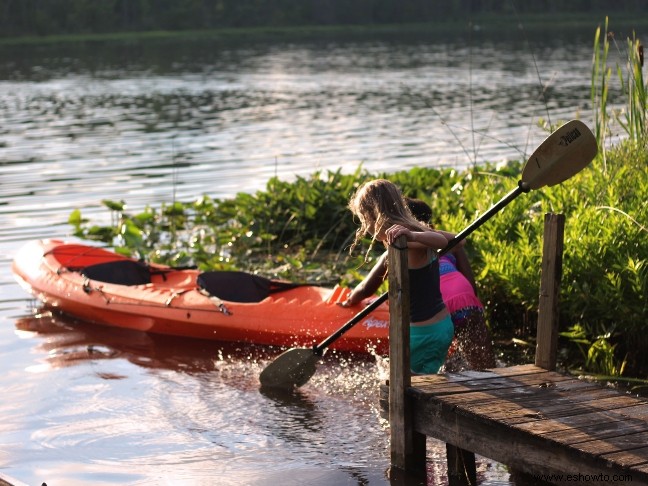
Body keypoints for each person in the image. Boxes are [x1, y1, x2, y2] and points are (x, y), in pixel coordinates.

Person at [342, 194, 496, 371]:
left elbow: (365, 289)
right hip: (465, 300)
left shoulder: (399, 247)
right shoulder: (441, 243)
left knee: (419, 367)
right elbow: (466, 267)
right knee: (483, 365)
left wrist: (350, 300)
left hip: (435, 308)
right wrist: (471, 299)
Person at [340, 179, 456, 375]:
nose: (364, 227)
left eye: (363, 220)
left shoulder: (407, 238)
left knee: (408, 391)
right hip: (441, 326)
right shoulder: (412, 231)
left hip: (421, 334)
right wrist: (418, 233)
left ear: (372, 216)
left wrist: (414, 236)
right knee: (425, 382)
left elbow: (442, 241)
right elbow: (455, 240)